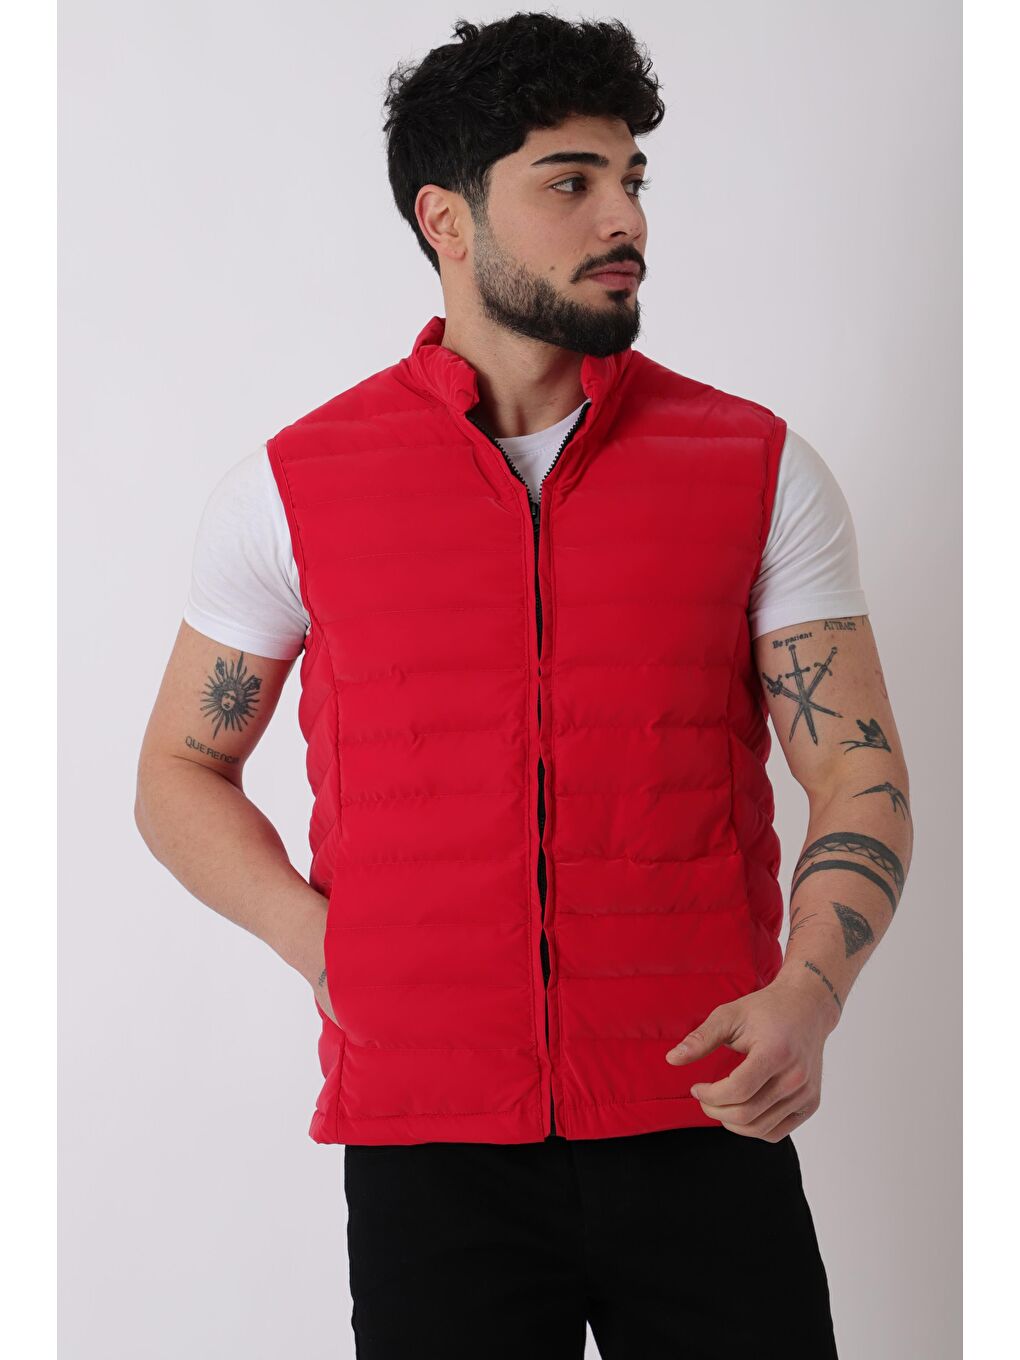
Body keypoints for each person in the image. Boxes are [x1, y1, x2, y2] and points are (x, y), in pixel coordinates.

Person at [135, 13, 912, 1357]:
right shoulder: (295, 486)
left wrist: (813, 991)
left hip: (700, 1112)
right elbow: (176, 770)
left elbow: (856, 765)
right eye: (571, 181)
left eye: (633, 178)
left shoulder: (755, 465)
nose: (627, 219)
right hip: (432, 1151)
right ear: (446, 219)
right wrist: (322, 943)